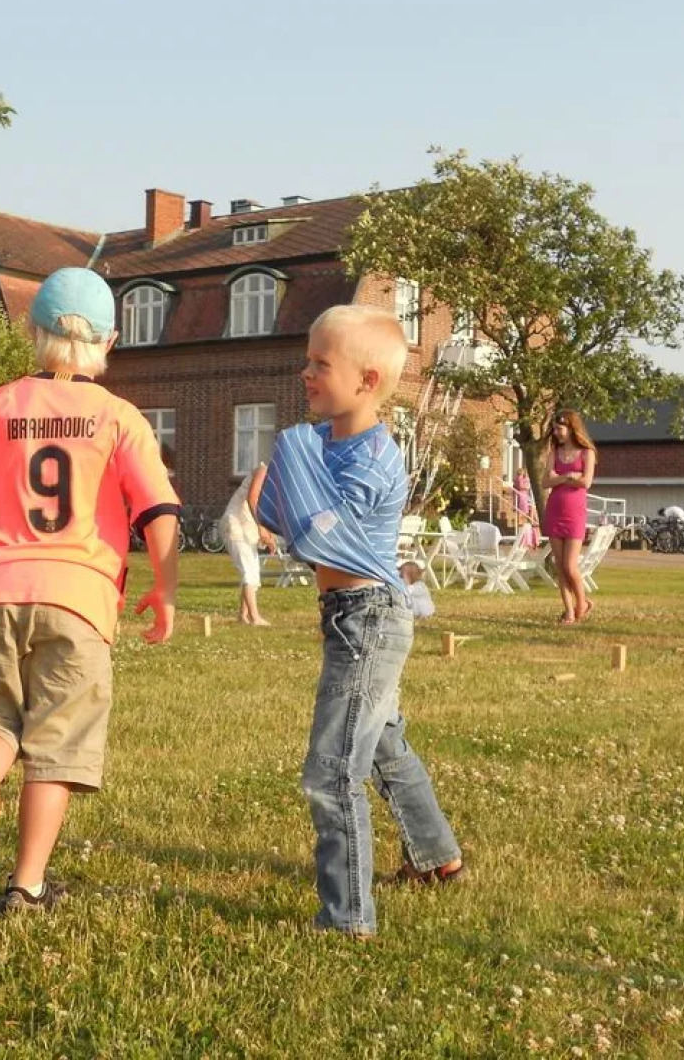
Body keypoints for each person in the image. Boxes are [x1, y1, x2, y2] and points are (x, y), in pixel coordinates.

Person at [0, 267, 181, 915]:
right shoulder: (118, 417)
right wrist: (165, 588)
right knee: (56, 747)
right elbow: (158, 511)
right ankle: (25, 885)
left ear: (31, 334)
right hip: (78, 598)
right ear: (110, 340)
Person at [256, 304, 462, 937]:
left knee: (333, 768)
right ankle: (437, 855)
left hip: (370, 618)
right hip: (349, 614)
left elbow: (320, 539)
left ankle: (347, 918)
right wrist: (294, 474)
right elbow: (273, 513)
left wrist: (291, 459)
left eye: (322, 364)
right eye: (307, 360)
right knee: (383, 743)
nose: (305, 373)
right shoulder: (322, 445)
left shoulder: (373, 458)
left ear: (368, 381)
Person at [541, 410, 597, 625]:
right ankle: (569, 611)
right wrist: (567, 477)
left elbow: (586, 482)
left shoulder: (586, 452)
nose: (556, 433)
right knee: (559, 564)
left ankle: (582, 602)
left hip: (575, 514)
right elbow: (546, 481)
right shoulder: (555, 451)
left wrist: (561, 478)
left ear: (571, 428)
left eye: (559, 429)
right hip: (555, 510)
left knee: (569, 565)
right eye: (554, 429)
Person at [220, 463, 274, 625]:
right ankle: (255, 617)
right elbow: (252, 498)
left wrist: (268, 533)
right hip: (235, 523)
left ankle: (242, 616)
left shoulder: (276, 481)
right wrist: (261, 527)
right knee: (249, 571)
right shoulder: (263, 470)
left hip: (247, 526)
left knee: (253, 572)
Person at [511, 469, 540, 549]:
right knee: (523, 517)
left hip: (529, 499)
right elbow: (521, 486)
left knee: (533, 519)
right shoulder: (519, 479)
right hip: (523, 499)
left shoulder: (528, 479)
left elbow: (527, 487)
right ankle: (526, 539)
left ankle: (534, 540)